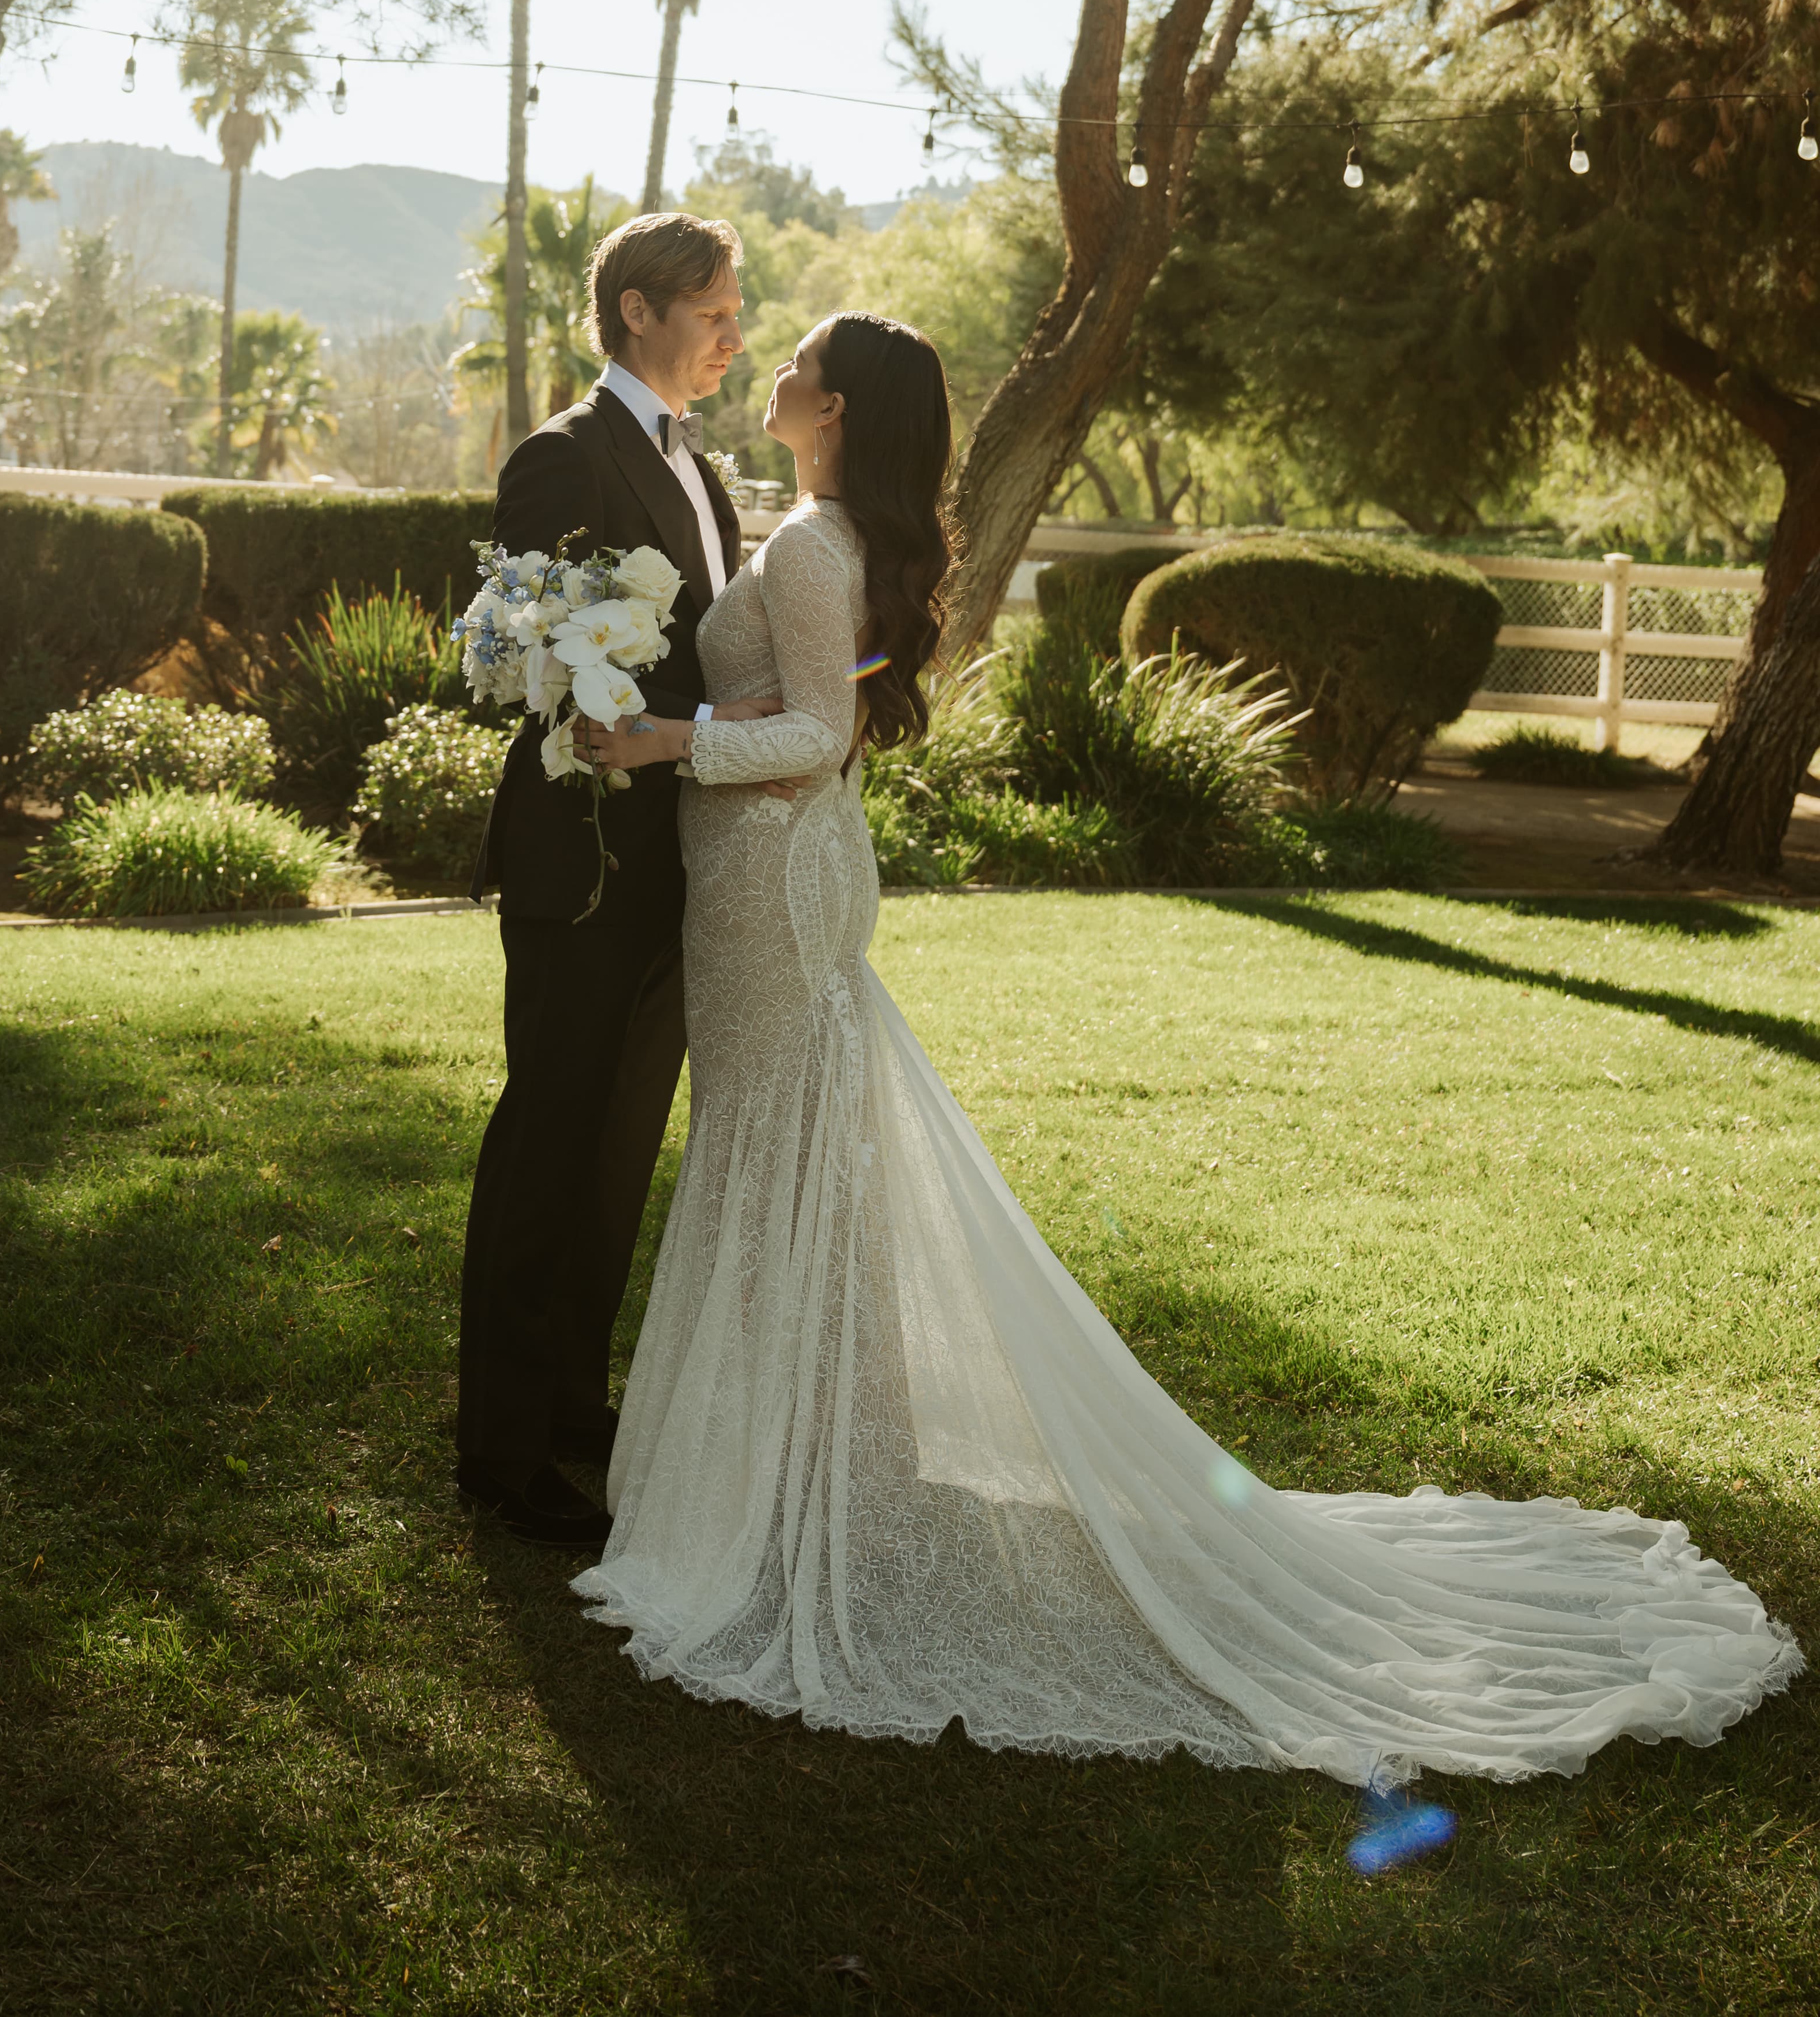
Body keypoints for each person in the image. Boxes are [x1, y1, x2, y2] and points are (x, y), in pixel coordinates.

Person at [572, 309, 1803, 1780]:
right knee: (788, 1161)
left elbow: (820, 740)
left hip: (772, 882)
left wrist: (665, 742)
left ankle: (793, 1491)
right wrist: (714, 714)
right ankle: (809, 1463)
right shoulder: (819, 538)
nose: (772, 366)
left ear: (837, 407)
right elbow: (803, 709)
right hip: (767, 881)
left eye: (799, 360)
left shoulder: (817, 547)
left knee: (777, 1154)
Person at [456, 208, 773, 1548]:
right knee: (551, 1140)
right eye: (712, 314)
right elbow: (522, 655)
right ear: (637, 312)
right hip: (582, 861)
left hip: (679, 866)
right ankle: (504, 1449)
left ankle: (578, 1408)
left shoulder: (706, 473)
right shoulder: (563, 455)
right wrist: (597, 690)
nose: (731, 339)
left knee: (618, 1152)